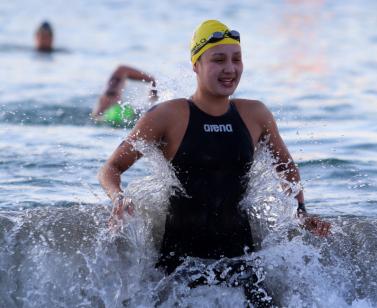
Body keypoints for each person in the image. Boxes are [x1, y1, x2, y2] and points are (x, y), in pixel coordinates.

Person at [98, 19, 330, 306]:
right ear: (196, 64)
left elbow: (285, 167)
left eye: (237, 59)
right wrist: (118, 197)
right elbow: (111, 168)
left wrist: (302, 212)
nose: (230, 69)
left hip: (242, 261)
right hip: (180, 267)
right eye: (218, 60)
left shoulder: (255, 114)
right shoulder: (168, 116)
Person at [92, 65, 158, 126]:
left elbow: (121, 70)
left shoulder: (108, 98)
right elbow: (121, 70)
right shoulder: (111, 95)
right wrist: (153, 84)